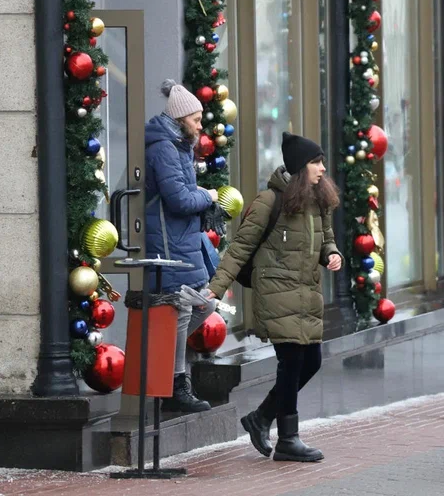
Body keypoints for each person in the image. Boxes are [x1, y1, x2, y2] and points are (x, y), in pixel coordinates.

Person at [207, 132, 343, 462]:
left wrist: (332, 254)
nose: (322, 169)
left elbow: (326, 239)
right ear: (300, 167)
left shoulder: (319, 201)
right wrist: (216, 286)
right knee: (292, 361)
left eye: (322, 162)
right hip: (276, 292)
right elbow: (239, 248)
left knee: (311, 362)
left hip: (306, 292)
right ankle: (288, 439)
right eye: (316, 162)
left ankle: (261, 418)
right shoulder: (270, 202)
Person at [144, 79, 223, 413]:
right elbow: (178, 199)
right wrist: (208, 195)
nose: (200, 124)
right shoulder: (165, 147)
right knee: (181, 308)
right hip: (167, 241)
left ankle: (164, 364)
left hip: (180, 238)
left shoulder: (178, 145)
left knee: (201, 304)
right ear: (180, 119)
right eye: (196, 118)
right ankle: (176, 384)